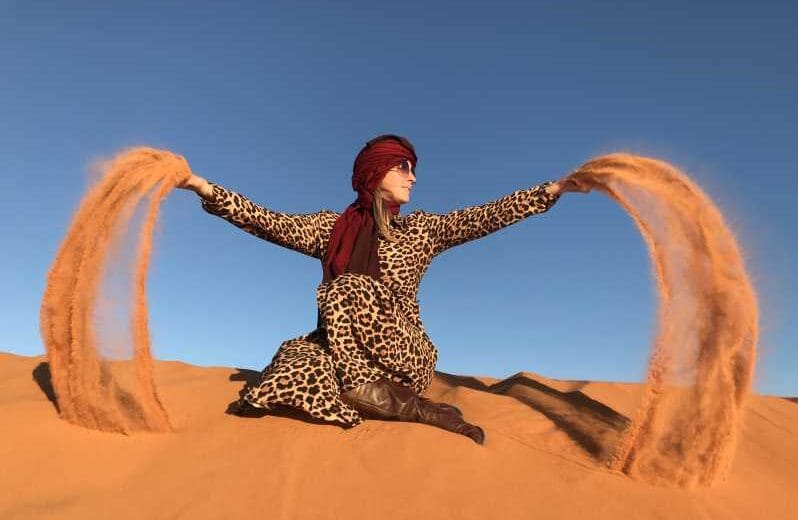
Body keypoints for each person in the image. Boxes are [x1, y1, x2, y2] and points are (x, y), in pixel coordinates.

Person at [178, 134, 588, 445]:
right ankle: (418, 410)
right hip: (344, 349)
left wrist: (551, 190)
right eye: (403, 167)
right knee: (289, 367)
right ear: (376, 174)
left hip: (402, 351)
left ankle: (367, 390)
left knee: (347, 288)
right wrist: (203, 186)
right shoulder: (330, 228)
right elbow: (269, 221)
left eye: (413, 167)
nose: (413, 176)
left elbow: (483, 217)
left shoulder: (422, 230)